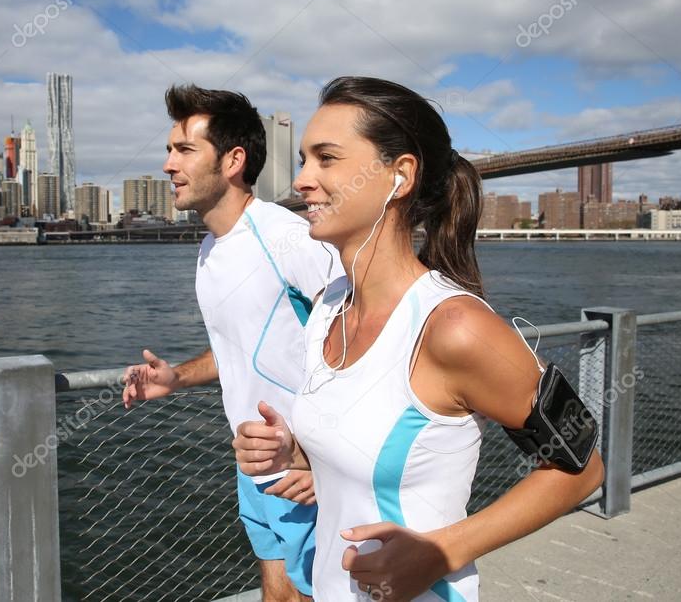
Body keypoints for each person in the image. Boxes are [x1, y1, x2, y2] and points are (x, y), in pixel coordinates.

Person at [233, 77, 605, 601]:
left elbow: (583, 466)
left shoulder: (454, 327)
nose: (302, 181)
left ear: (400, 176)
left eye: (326, 158)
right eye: (303, 159)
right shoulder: (327, 307)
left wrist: (442, 552)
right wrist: (294, 451)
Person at [123, 84, 343, 601]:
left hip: (303, 464)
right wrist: (177, 377)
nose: (167, 165)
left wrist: (321, 458)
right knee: (276, 590)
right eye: (169, 149)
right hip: (253, 461)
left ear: (232, 161)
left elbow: (361, 340)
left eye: (183, 150)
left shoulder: (288, 236)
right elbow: (237, 353)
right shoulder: (208, 249)